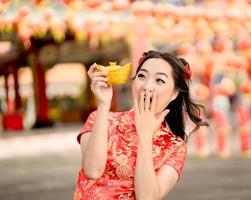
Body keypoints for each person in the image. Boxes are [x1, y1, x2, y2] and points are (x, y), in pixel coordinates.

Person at [73, 50, 207, 200]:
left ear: (174, 93)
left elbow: (147, 198)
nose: (147, 86)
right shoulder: (100, 118)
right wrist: (104, 104)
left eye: (160, 81)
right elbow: (92, 171)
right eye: (142, 76)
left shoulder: (175, 147)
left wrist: (145, 135)